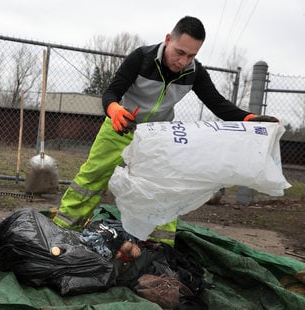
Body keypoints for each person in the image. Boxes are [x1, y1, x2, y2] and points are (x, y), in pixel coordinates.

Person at [53, 16, 278, 245]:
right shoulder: (141, 58)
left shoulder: (194, 73)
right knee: (91, 179)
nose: (183, 61)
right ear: (168, 39)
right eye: (180, 52)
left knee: (163, 188)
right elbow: (111, 92)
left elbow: (219, 105)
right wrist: (114, 109)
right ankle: (60, 229)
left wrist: (250, 119)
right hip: (120, 127)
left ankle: (159, 247)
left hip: (157, 138)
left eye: (191, 55)